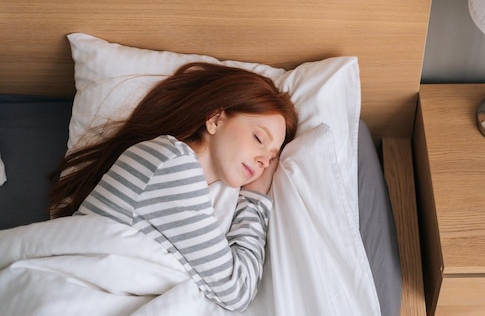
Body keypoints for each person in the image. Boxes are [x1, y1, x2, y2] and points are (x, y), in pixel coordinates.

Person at [48, 62, 298, 312]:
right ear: (215, 119)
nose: (264, 161)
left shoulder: (191, 178)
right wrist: (253, 199)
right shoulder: (172, 162)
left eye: (272, 157)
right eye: (259, 138)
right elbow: (236, 291)